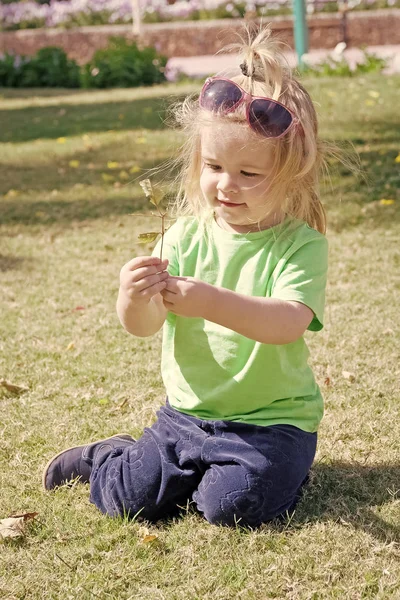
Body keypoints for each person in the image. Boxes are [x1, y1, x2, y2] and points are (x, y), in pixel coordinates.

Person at [43, 26, 331, 528]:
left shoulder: (300, 245)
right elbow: (143, 325)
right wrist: (133, 297)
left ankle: (274, 473)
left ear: (292, 174)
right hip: (186, 415)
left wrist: (208, 301)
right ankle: (105, 458)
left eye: (249, 173)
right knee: (130, 499)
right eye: (214, 165)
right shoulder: (183, 237)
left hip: (272, 424)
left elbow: (287, 322)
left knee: (233, 507)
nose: (226, 184)